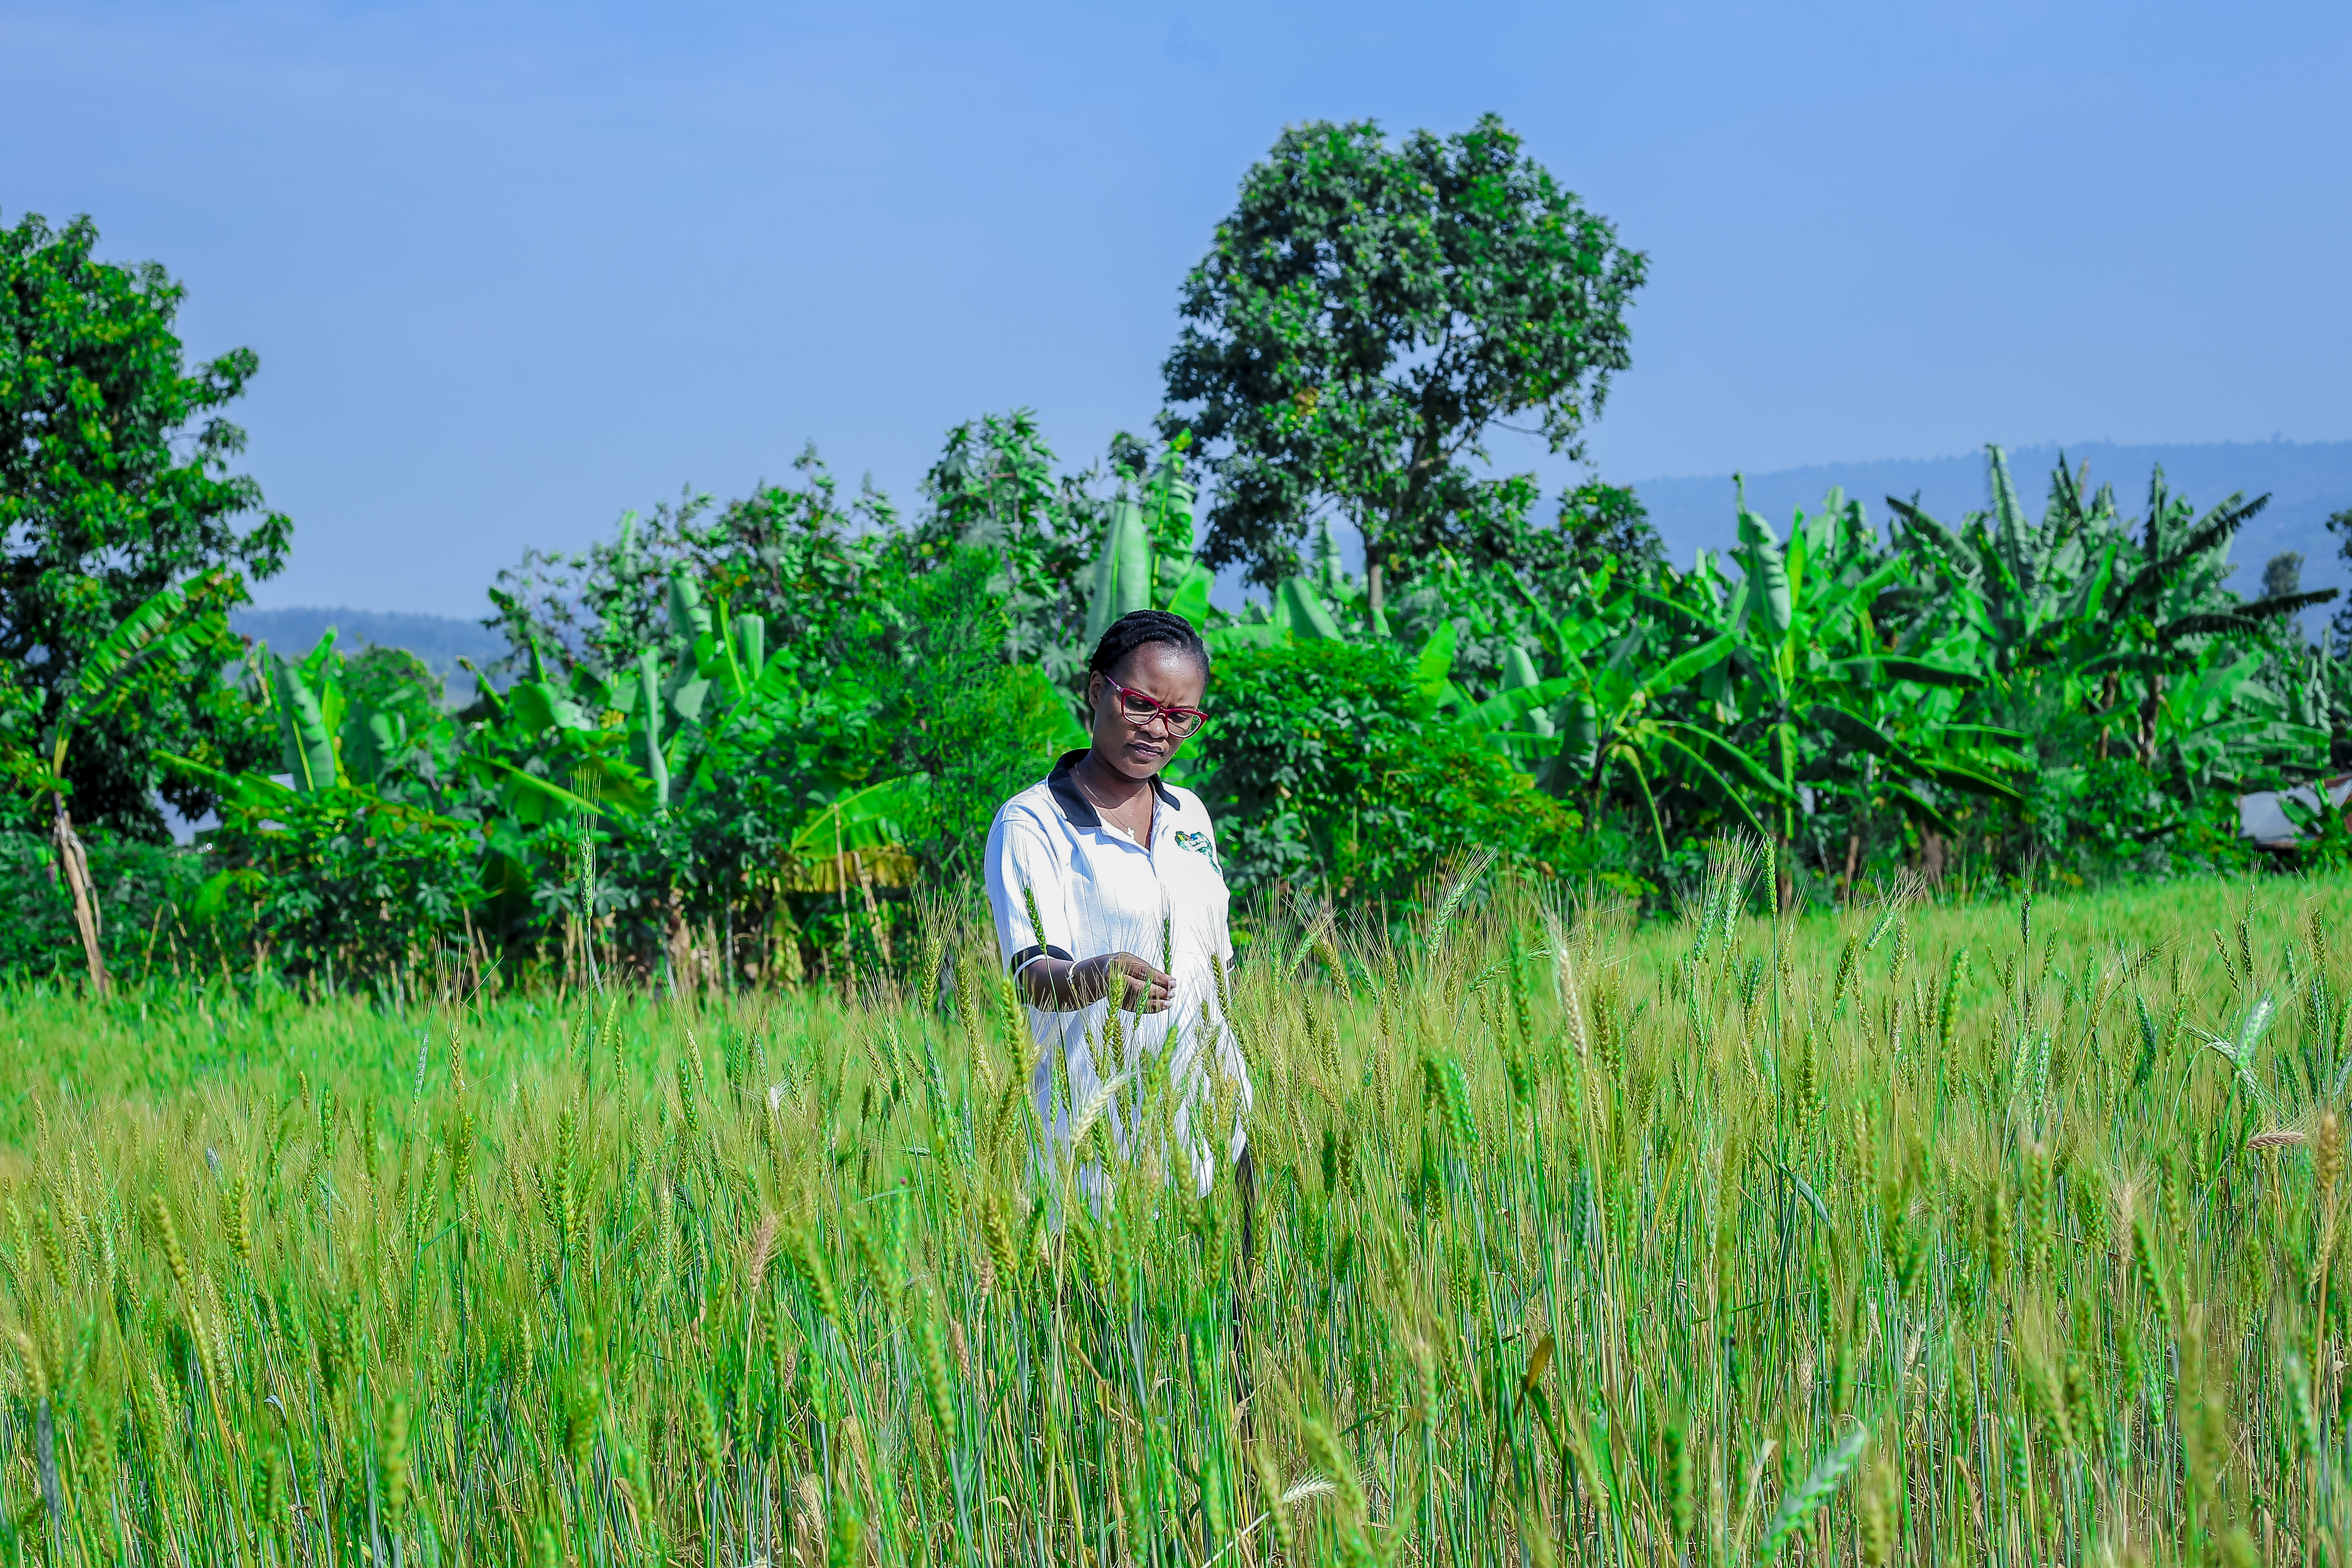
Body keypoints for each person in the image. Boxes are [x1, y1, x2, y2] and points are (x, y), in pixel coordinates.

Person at [983, 609, 1250, 1198]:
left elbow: (1217, 969)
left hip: (1217, 1126)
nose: (1158, 730)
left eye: (1181, 717)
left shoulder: (1191, 815)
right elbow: (1031, 974)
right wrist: (1096, 977)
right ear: (1097, 689)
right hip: (1098, 1143)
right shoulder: (1033, 823)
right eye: (1141, 705)